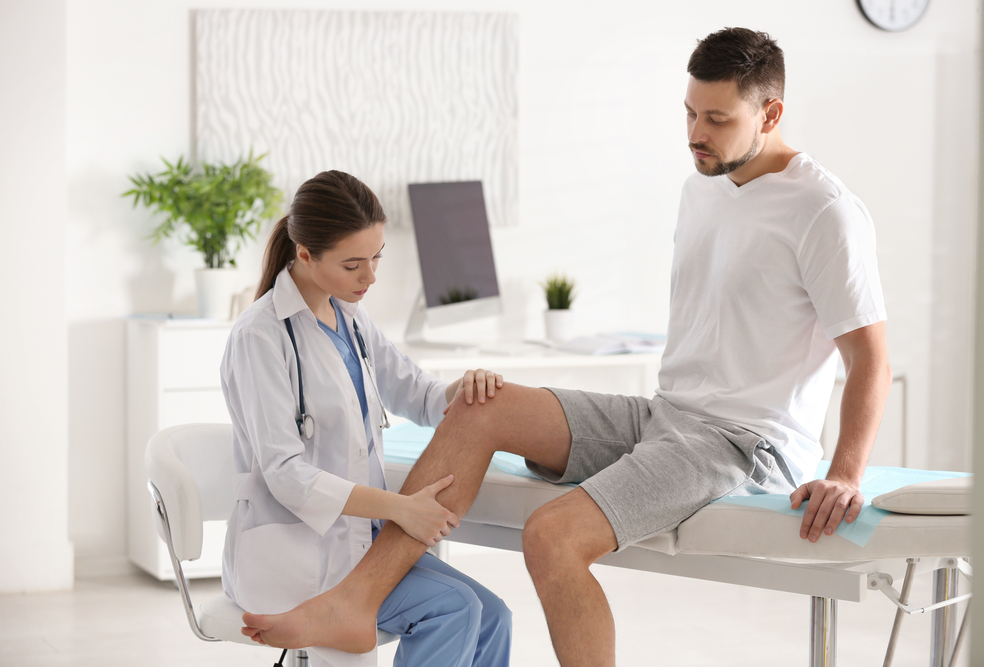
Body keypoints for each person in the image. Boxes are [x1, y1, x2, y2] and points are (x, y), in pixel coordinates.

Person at [240, 28, 892, 666]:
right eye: (689, 113)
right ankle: (357, 599)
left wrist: (845, 472)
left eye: (716, 119)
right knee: (480, 408)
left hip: (746, 442)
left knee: (551, 534)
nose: (695, 133)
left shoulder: (824, 211)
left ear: (770, 113)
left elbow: (870, 356)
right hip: (667, 414)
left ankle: (356, 596)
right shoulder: (703, 187)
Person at [220, 170, 512, 667]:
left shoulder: (350, 318)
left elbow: (417, 394)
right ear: (305, 253)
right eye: (353, 264)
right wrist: (400, 508)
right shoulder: (261, 337)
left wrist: (464, 389)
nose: (370, 277)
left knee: (494, 615)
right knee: (454, 611)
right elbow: (286, 474)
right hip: (298, 553)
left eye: (376, 258)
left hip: (360, 544)